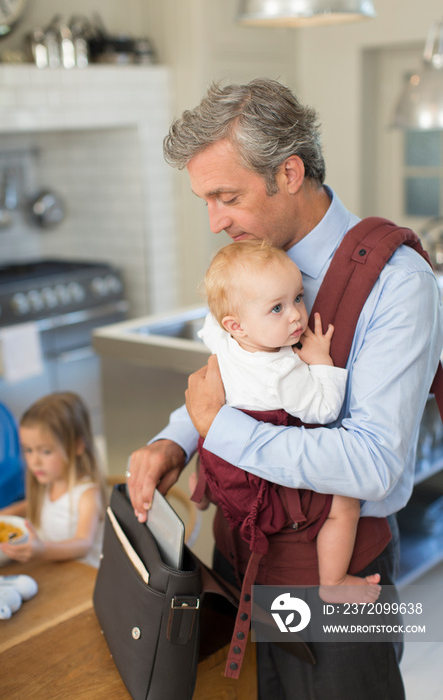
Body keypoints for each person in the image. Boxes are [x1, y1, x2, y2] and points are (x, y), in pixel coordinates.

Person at [126, 78, 443, 699]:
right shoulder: (249, 268)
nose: (216, 221)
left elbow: (374, 465)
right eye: (206, 201)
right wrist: (177, 440)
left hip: (342, 573)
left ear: (289, 172)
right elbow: (233, 382)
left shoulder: (400, 284)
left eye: (227, 197)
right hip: (240, 553)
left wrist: (221, 431)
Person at [192, 239, 381, 604]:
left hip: (221, 467)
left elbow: (211, 320)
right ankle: (334, 581)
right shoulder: (282, 370)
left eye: (297, 297)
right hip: (259, 483)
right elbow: (324, 409)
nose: (296, 315)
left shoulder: (222, 337)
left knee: (211, 445)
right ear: (238, 324)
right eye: (276, 308)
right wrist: (322, 361)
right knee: (344, 503)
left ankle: (202, 493)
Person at [0, 392, 106, 568]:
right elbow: (31, 504)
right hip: (55, 571)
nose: (34, 462)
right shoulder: (49, 483)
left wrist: (42, 550)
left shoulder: (87, 494)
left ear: (77, 446)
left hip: (85, 580)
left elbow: (83, 544)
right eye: (28, 450)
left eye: (45, 451)